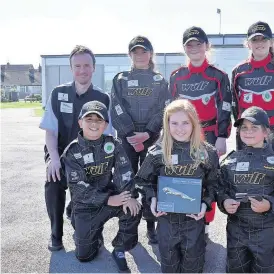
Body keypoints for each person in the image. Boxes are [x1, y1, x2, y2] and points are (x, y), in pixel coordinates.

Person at [39, 45, 112, 251]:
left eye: (87, 65)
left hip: (91, 158)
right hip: (60, 154)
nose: (82, 70)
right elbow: (50, 132)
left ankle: (94, 230)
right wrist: (53, 159)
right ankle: (56, 234)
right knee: (53, 182)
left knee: (99, 188)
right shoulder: (57, 93)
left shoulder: (103, 98)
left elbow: (108, 136)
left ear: (94, 68)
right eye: (77, 65)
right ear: (71, 68)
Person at [135, 99, 219, 273]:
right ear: (167, 124)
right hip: (167, 220)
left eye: (185, 123)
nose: (179, 128)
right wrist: (152, 199)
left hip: (194, 221)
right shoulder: (157, 153)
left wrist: (205, 203)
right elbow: (142, 180)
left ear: (194, 123)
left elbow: (214, 183)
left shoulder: (207, 153)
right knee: (170, 266)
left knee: (192, 266)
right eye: (174, 123)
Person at [217, 106, 274, 273]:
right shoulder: (229, 162)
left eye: (254, 127)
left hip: (267, 235)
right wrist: (224, 202)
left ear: (265, 132)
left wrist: (269, 205)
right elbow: (219, 190)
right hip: (236, 233)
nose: (248, 132)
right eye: (244, 128)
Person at [61, 101, 141, 272]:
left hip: (109, 193)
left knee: (134, 207)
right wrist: (107, 199)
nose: (94, 124)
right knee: (84, 256)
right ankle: (79, 220)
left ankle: (119, 249)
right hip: (85, 205)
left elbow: (124, 171)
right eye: (88, 119)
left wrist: (129, 196)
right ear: (80, 122)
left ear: (105, 125)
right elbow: (77, 187)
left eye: (99, 120)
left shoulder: (113, 144)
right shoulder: (72, 151)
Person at [169, 26, 232, 234]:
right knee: (185, 173)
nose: (194, 48)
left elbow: (225, 107)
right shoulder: (176, 76)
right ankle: (184, 216)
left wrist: (222, 136)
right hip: (182, 134)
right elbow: (170, 109)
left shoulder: (219, 76)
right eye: (190, 45)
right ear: (184, 49)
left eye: (198, 44)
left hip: (210, 134)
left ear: (207, 46)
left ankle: (205, 221)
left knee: (208, 176)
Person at [110, 35, 169, 244]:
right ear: (130, 55)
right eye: (136, 51)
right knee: (126, 180)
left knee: (151, 181)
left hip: (150, 138)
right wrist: (129, 134)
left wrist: (148, 133)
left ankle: (151, 225)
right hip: (127, 139)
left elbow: (164, 109)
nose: (140, 55)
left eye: (144, 51)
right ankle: (127, 227)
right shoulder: (120, 79)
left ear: (151, 53)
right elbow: (115, 107)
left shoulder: (160, 81)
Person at [231, 21, 274, 152]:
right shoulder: (238, 71)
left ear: (271, 42)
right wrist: (244, 127)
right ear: (248, 44)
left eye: (264, 39)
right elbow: (235, 107)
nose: (260, 43)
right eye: (255, 40)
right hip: (247, 132)